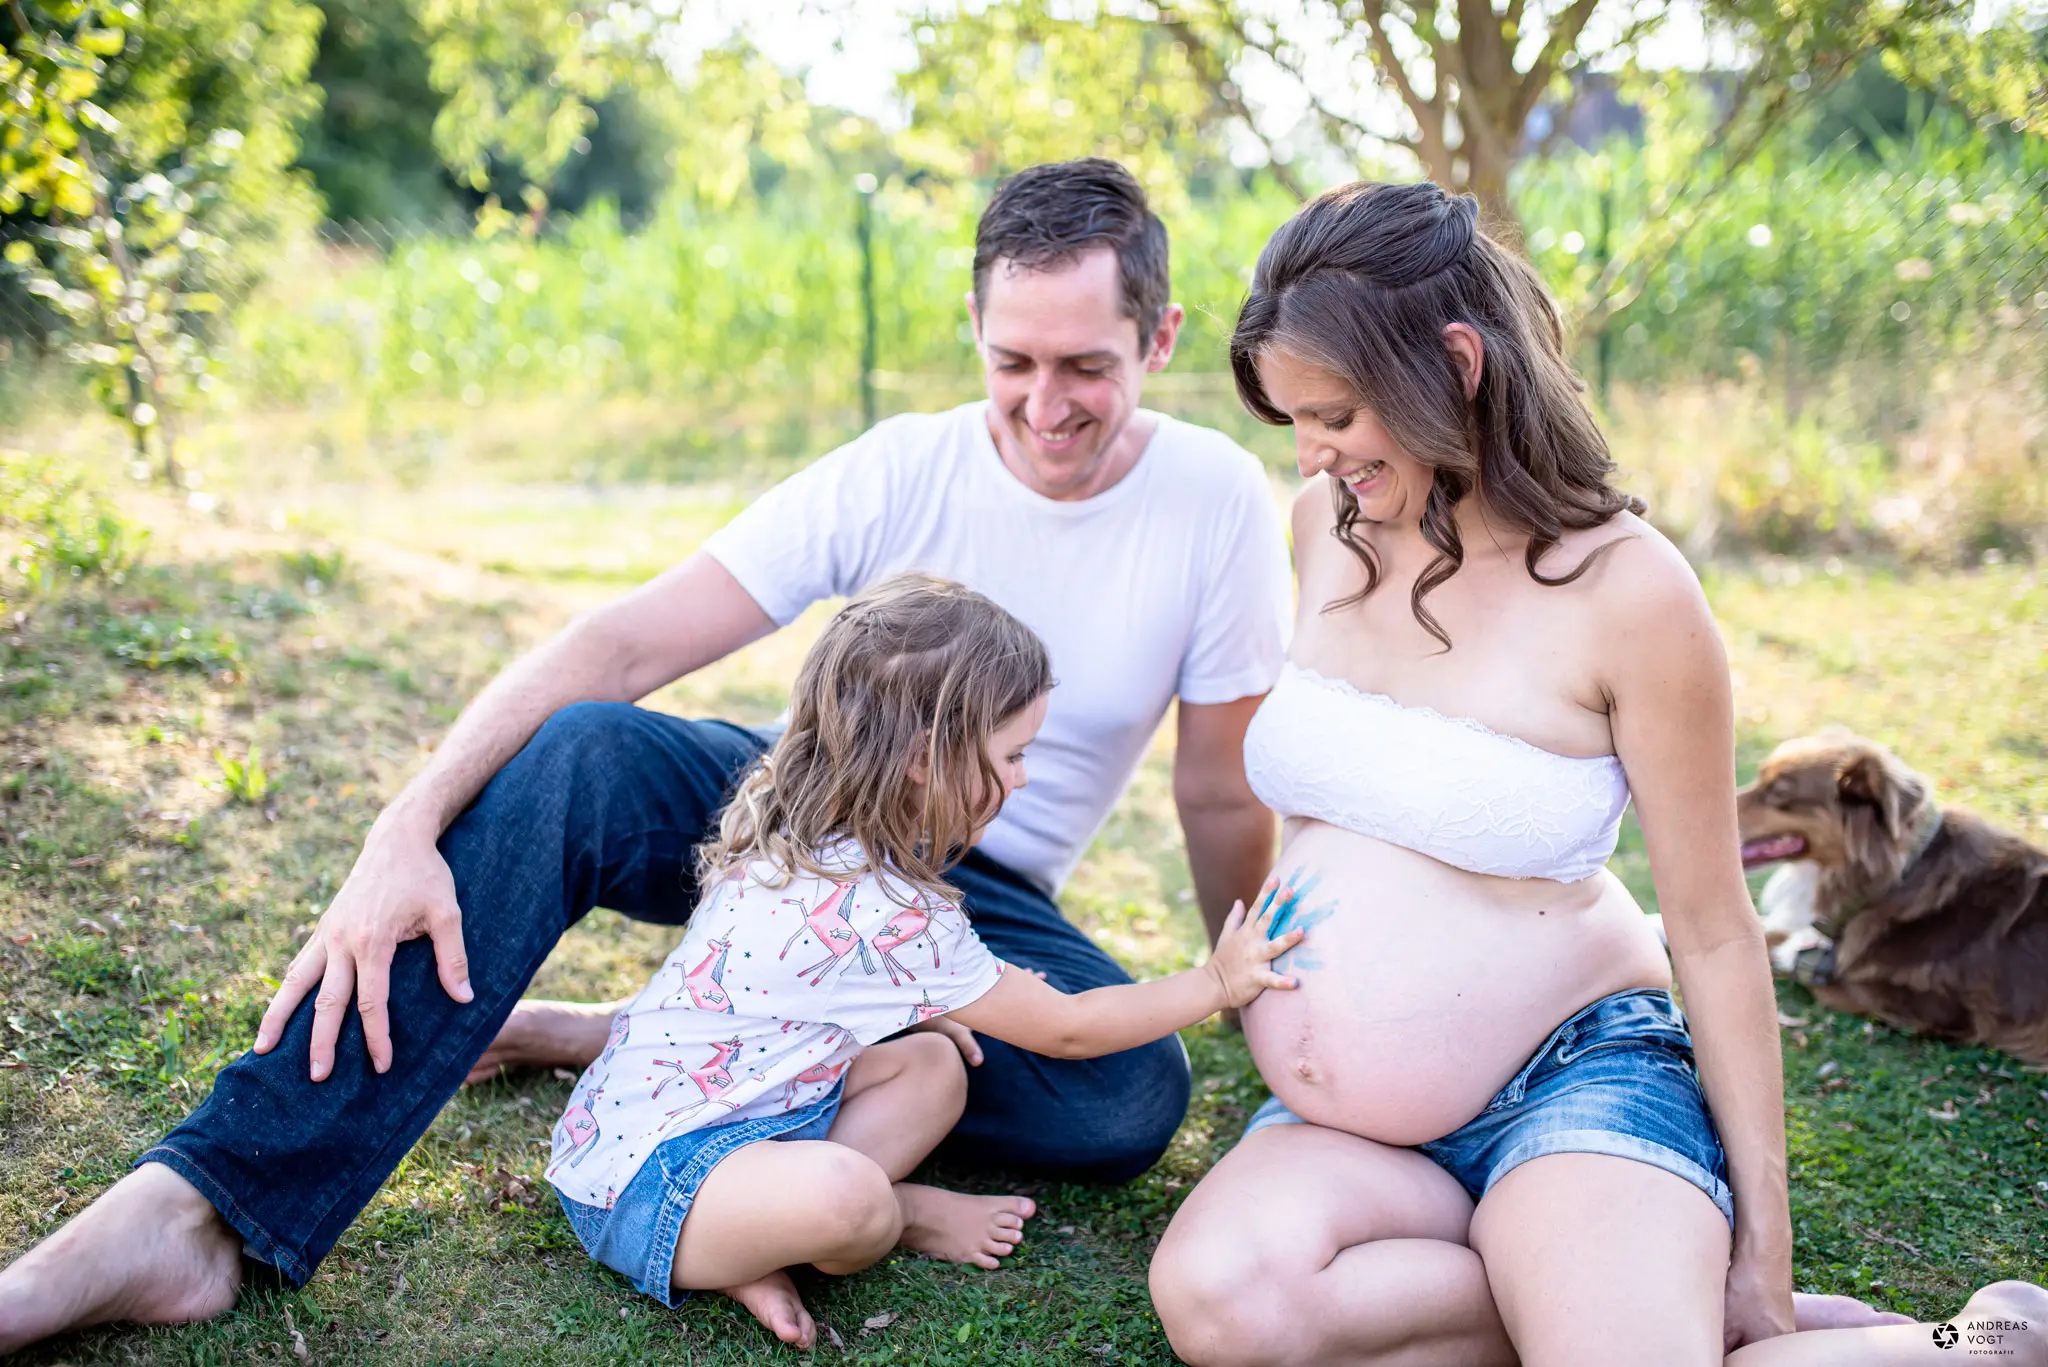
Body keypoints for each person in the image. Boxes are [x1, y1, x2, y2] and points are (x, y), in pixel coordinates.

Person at [0, 157, 1290, 1354]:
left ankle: (640, 1033)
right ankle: (198, 1204)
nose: (1042, 403)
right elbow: (618, 646)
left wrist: (1246, 981)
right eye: (1012, 358)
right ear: (973, 326)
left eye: (1085, 365)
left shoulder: (1217, 499)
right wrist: (402, 824)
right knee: (586, 752)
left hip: (975, 883)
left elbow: (1215, 781)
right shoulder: (903, 467)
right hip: (809, 828)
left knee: (1123, 1100)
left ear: (1159, 339)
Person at [1143, 181, 2048, 1367]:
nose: (1309, 453)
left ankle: (1981, 1339)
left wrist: (1759, 1265)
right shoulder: (1325, 521)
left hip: (1572, 1083)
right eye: (1290, 421)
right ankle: (1576, 1286)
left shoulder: (1631, 591)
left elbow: (1716, 934)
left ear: (1455, 362)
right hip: (1353, 1133)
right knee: (1222, 1305)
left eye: (1334, 414)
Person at [553, 573, 1301, 1350]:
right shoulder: (895, 912)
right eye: (1012, 754)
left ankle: (753, 1234)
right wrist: (1217, 981)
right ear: (923, 758)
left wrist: (939, 1004)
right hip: (643, 1179)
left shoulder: (793, 815)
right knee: (853, 1202)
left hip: (726, 1116)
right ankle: (881, 1215)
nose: (1024, 776)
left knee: (936, 1064)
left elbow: (817, 976)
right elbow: (1069, 1029)